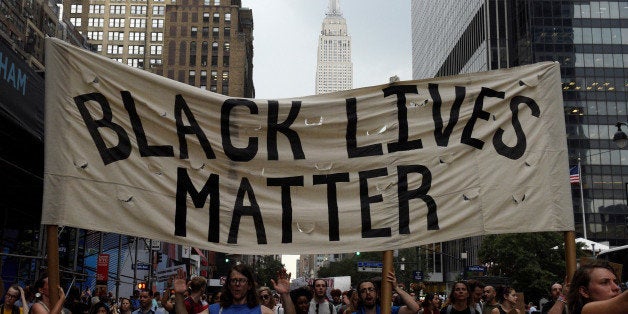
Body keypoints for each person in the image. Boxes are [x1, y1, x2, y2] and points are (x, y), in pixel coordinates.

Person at [173, 265, 294, 314]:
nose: (237, 284)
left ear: (249, 285)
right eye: (233, 280)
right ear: (229, 285)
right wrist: (178, 295)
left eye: (242, 280)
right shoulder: (215, 310)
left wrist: (286, 295)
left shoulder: (261, 311)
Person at [547, 260, 622, 314]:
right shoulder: (587, 310)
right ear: (584, 292)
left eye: (615, 282)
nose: (616, 287)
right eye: (605, 282)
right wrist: (563, 296)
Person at [353, 271, 420, 314]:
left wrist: (396, 288)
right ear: (360, 296)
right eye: (363, 291)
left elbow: (414, 308)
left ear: (377, 294)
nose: (368, 292)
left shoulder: (389, 311)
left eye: (371, 289)